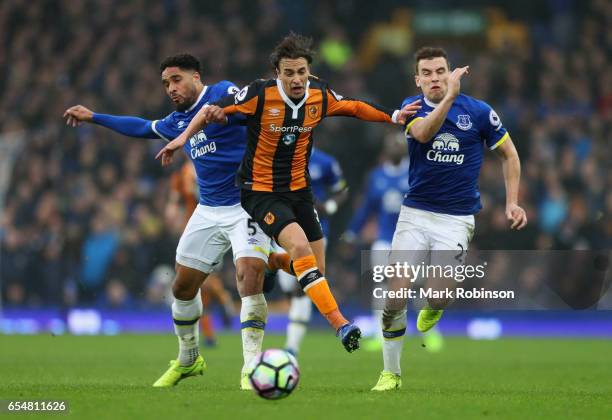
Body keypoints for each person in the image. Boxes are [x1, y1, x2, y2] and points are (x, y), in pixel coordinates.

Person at [156, 33, 421, 353]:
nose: (297, 80)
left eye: (302, 73)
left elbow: (353, 106)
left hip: (299, 191)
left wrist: (392, 116)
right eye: (289, 73)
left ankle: (270, 262)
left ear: (309, 72)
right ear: (277, 74)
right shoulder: (258, 94)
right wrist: (182, 138)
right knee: (300, 250)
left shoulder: (318, 95)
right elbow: (208, 109)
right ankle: (341, 324)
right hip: (261, 191)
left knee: (313, 273)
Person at [63, 53, 271, 390]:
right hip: (208, 210)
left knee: (249, 276)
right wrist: (93, 117)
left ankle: (251, 367)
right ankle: (189, 358)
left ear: (196, 77)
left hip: (246, 205)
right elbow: (142, 127)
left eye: (176, 79)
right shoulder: (177, 121)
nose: (170, 88)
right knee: (181, 288)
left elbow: (250, 105)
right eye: (165, 84)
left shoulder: (222, 92)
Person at [371, 47, 527, 391]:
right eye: (426, 73)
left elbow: (510, 155)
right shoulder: (411, 108)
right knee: (394, 297)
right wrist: (449, 99)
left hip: (456, 220)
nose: (434, 78)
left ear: (450, 72)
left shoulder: (480, 112)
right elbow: (425, 133)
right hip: (415, 214)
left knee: (438, 295)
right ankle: (390, 373)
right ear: (418, 80)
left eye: (440, 71)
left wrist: (512, 202)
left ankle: (435, 306)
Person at [270, 146, 349, 355]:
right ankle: (294, 332)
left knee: (303, 286)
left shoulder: (325, 161)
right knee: (289, 285)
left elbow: (342, 189)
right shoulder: (280, 154)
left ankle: (291, 347)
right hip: (284, 226)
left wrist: (330, 206)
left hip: (315, 230)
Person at [167, 161, 234, 347]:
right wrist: (173, 211)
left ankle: (223, 299)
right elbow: (175, 200)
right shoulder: (182, 172)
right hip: (194, 230)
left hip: (215, 227)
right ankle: (210, 334)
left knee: (203, 282)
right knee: (198, 285)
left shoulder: (214, 162)